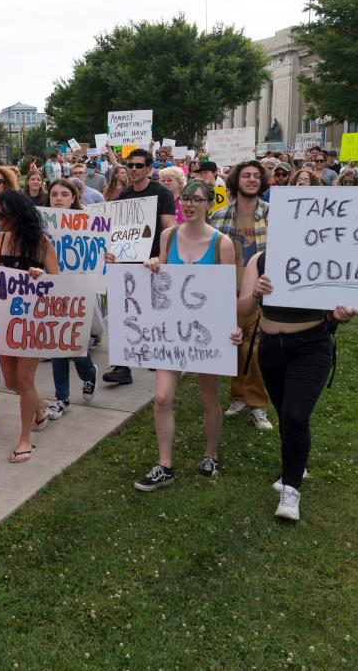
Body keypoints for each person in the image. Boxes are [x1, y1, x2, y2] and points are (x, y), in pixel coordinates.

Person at [237, 248, 358, 521]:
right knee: (284, 414)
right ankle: (296, 465)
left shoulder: (325, 256)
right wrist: (257, 293)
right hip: (270, 349)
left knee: (296, 415)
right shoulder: (260, 259)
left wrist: (342, 314)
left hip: (310, 347)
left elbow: (345, 305)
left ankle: (291, 488)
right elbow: (243, 307)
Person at [136, 179, 242, 489]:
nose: (189, 204)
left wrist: (231, 327)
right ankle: (164, 464)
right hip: (172, 331)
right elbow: (160, 279)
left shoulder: (221, 243)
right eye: (185, 199)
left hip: (206, 333)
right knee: (161, 397)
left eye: (197, 199)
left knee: (208, 399)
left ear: (210, 203)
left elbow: (227, 293)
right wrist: (154, 264)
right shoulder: (168, 237)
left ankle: (210, 454)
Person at [0, 189, 60, 462]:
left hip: (33, 320)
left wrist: (41, 275)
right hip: (5, 318)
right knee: (10, 381)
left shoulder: (41, 242)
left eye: (1, 214)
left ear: (16, 215)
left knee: (24, 380)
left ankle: (24, 439)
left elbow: (58, 280)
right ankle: (39, 407)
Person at [103, 148, 177, 386]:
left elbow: (169, 228)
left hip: (152, 263)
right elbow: (115, 232)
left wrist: (163, 258)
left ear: (148, 168)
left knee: (153, 314)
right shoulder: (123, 197)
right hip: (126, 265)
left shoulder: (161, 193)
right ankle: (122, 367)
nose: (133, 169)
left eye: (138, 165)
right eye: (130, 165)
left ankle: (156, 352)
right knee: (122, 314)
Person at [209, 160, 274, 431]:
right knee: (234, 345)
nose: (251, 180)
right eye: (246, 176)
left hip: (260, 292)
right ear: (236, 181)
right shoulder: (219, 217)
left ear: (262, 182)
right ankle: (238, 396)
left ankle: (257, 404)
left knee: (255, 348)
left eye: (256, 176)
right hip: (228, 291)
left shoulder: (275, 215)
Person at [44, 179, 98, 420]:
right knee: (57, 343)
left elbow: (98, 254)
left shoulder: (89, 223)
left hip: (79, 289)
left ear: (73, 197)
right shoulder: (41, 224)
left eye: (64, 194)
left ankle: (89, 373)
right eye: (54, 194)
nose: (58, 198)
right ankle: (61, 398)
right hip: (50, 289)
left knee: (75, 345)